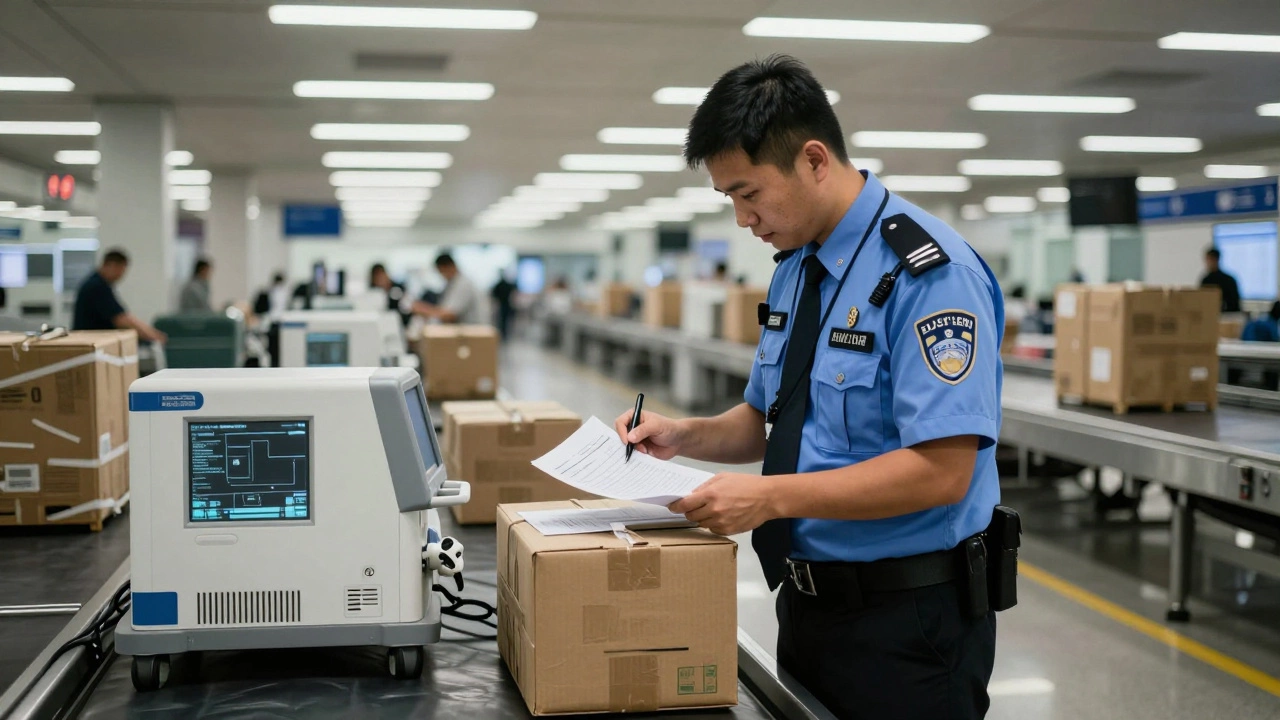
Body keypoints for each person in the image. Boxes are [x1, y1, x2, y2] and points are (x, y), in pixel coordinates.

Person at [613, 55, 1004, 720]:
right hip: (807, 605)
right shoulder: (796, 269)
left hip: (908, 621)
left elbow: (942, 473)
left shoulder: (929, 276)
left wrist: (767, 498)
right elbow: (772, 418)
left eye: (749, 193)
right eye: (729, 199)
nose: (742, 218)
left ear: (815, 161)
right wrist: (684, 435)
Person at [73, 249, 166, 342]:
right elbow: (121, 319)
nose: (121, 276)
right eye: (121, 270)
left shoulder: (98, 283)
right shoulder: (97, 286)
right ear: (113, 265)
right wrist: (153, 336)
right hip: (89, 343)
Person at [411, 253, 484, 325]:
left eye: (441, 271)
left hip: (471, 332)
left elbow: (450, 315)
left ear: (449, 266)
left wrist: (423, 309)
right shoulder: (452, 284)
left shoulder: (463, 284)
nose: (442, 275)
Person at [1201, 247, 1242, 313]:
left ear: (1216, 259)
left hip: (1227, 316)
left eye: (1209, 259)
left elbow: (1234, 304)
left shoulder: (1228, 281)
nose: (1207, 263)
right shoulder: (1205, 280)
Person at [491, 271, 517, 339]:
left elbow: (493, 294)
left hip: (503, 305)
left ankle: (502, 334)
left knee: (502, 320)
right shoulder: (507, 284)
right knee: (505, 321)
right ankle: (504, 334)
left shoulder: (499, 285)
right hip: (506, 305)